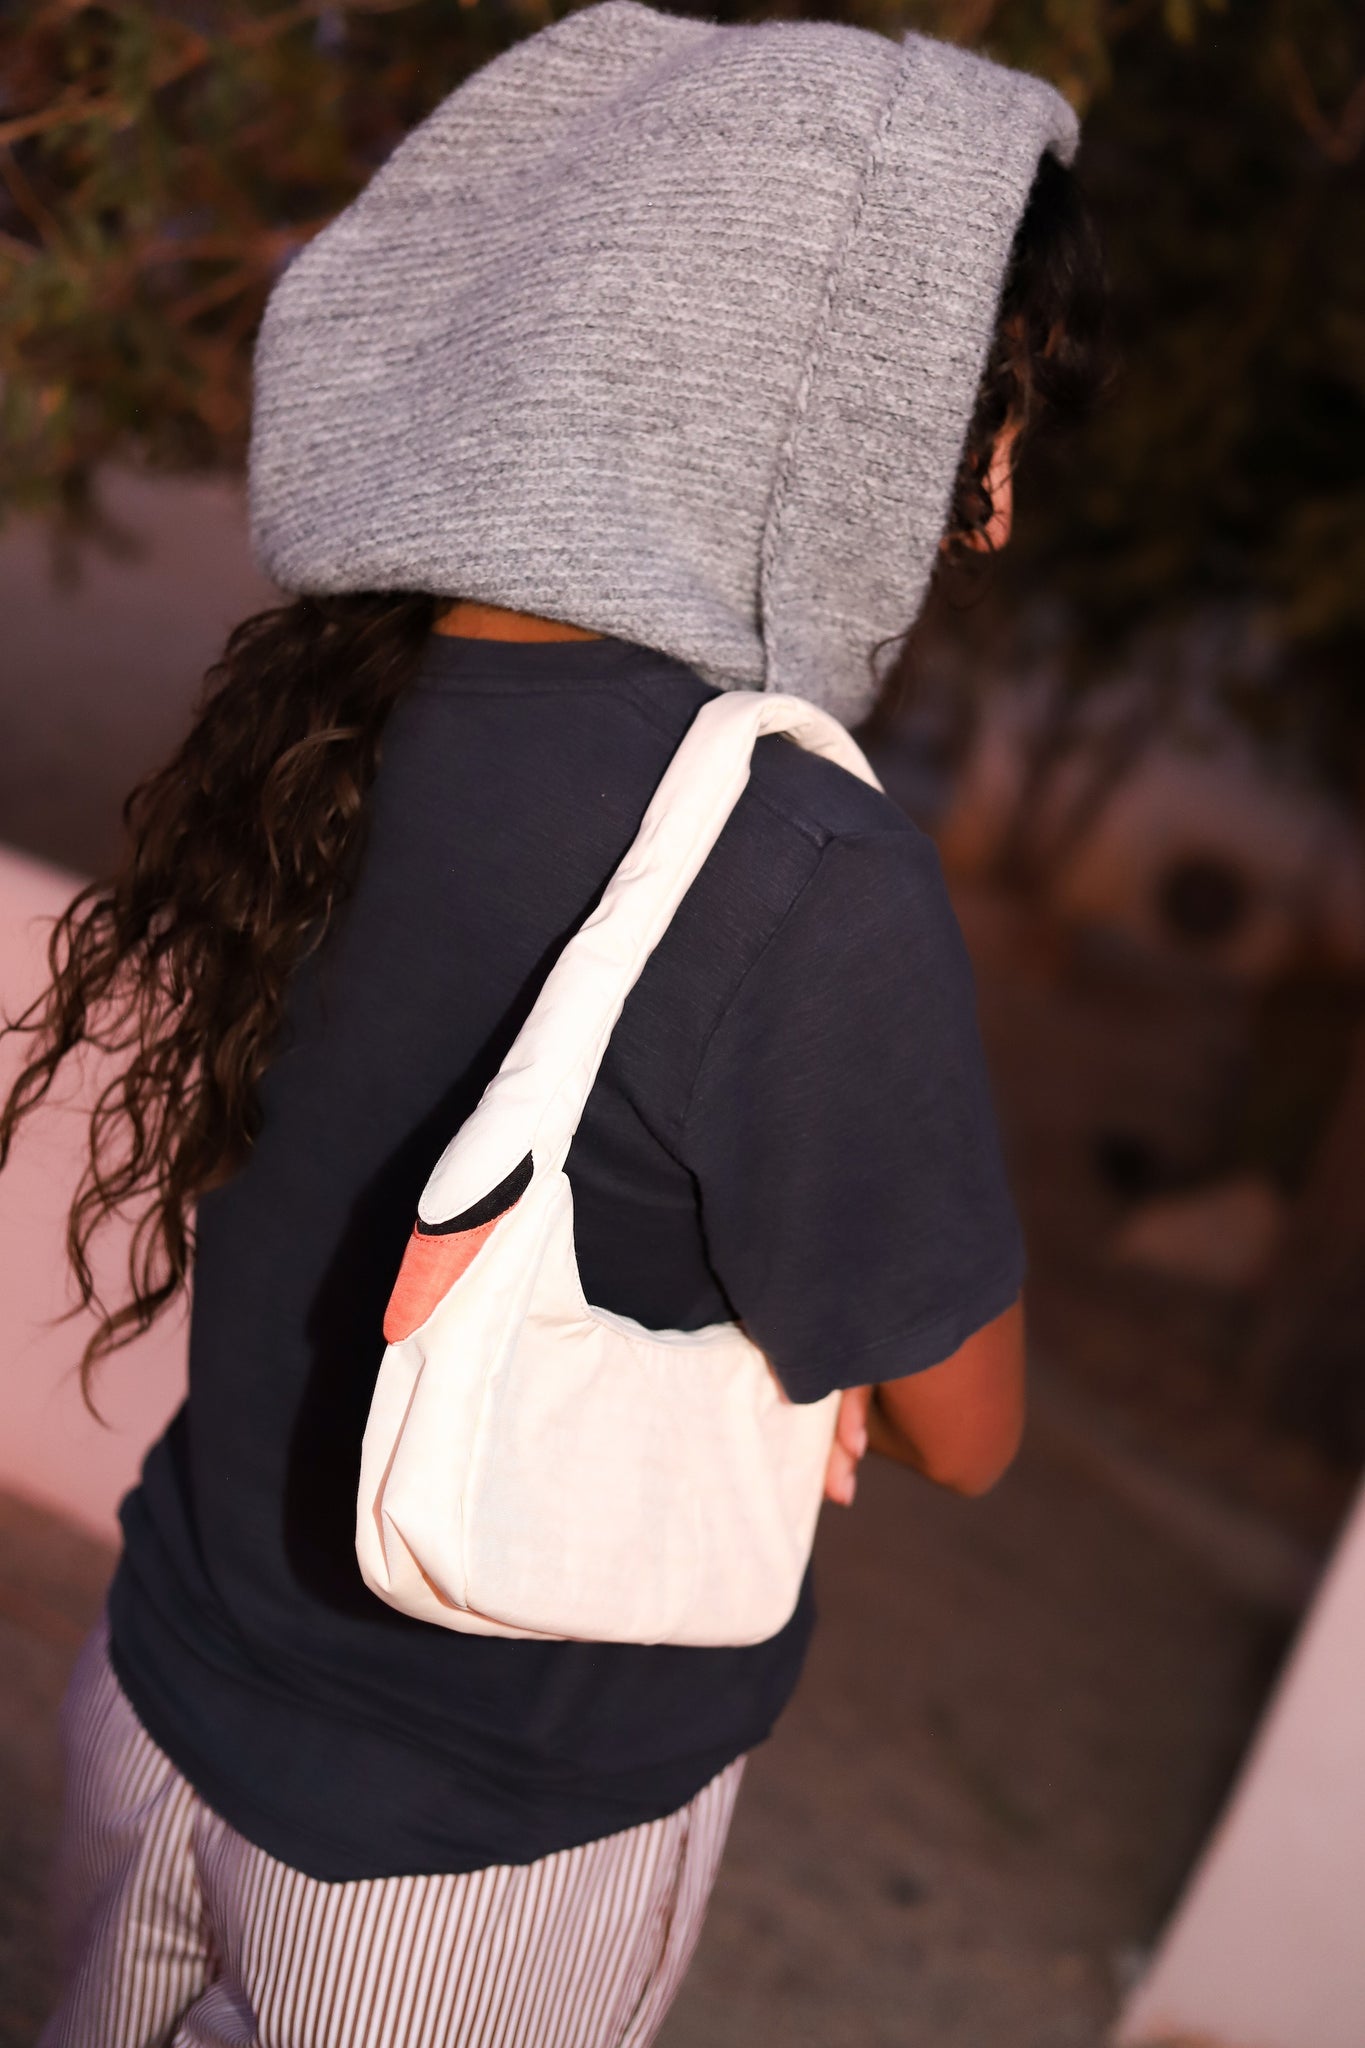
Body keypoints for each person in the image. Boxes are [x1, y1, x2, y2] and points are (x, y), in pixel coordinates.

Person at [5, 5, 1104, 2042]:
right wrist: (806, 1333)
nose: (991, 509)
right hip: (464, 1853)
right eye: (980, 414)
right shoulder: (790, 866)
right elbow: (968, 1428)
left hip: (152, 1698)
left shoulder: (328, 707)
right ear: (802, 388)